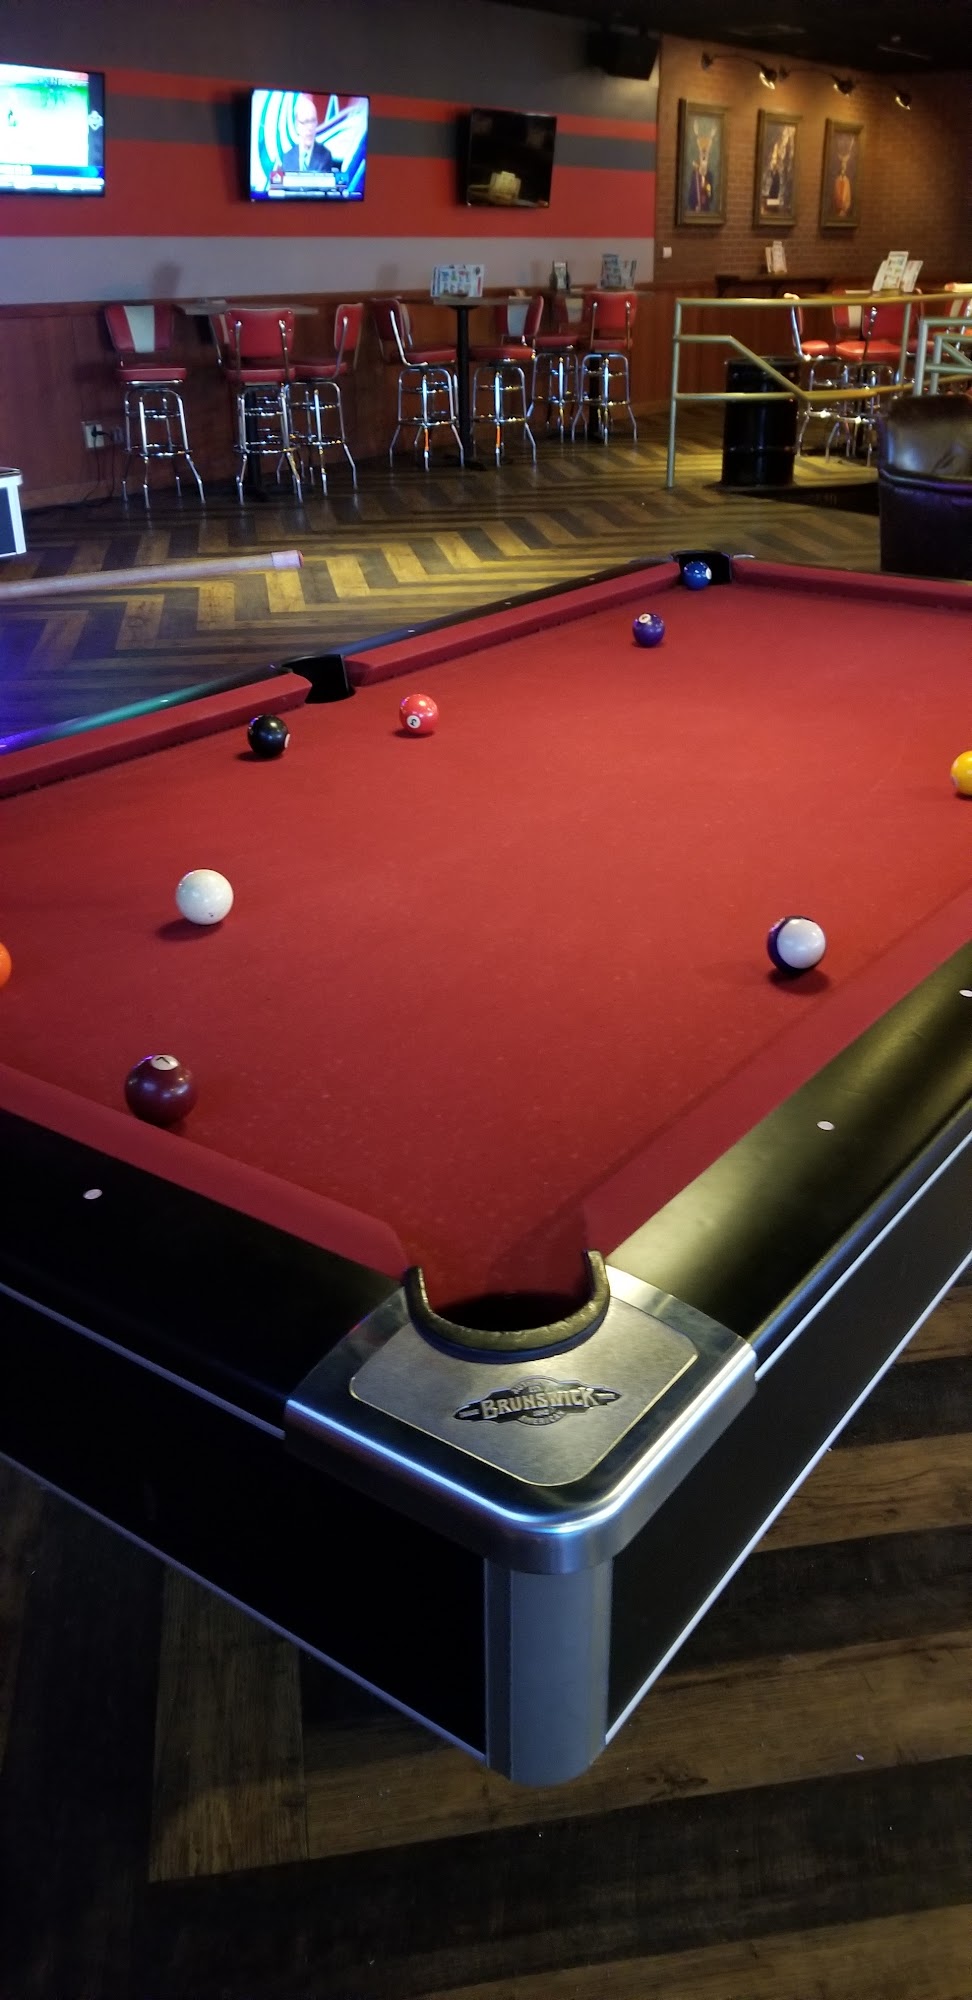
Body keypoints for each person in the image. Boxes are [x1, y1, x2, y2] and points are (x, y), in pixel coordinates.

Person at [275, 94, 334, 176]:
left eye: (313, 121)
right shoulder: (287, 158)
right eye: (305, 122)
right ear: (297, 126)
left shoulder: (325, 156)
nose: (310, 127)